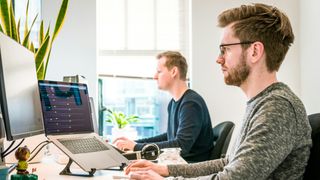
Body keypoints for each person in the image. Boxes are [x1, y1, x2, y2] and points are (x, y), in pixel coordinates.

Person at [125, 3, 312, 180]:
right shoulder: (262, 103)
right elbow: (229, 163)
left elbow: (232, 178)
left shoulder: (277, 107)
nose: (218, 59)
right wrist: (165, 169)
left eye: (225, 50)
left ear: (254, 51)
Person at [113, 51, 214, 163]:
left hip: (190, 168)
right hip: (177, 163)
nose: (155, 77)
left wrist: (137, 147)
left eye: (159, 72)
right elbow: (169, 137)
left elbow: (181, 146)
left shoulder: (191, 104)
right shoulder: (174, 103)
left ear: (174, 72)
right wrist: (135, 143)